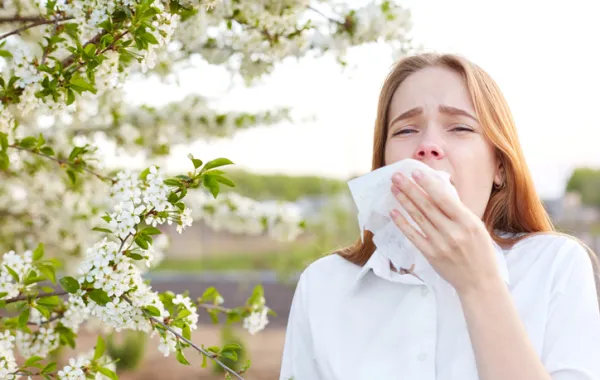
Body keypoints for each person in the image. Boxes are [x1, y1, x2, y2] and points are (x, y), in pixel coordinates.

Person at [278, 52, 600, 380]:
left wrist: (479, 284)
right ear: (385, 162)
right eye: (405, 130)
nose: (428, 146)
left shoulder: (556, 266)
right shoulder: (323, 285)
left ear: (499, 168)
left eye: (459, 127)